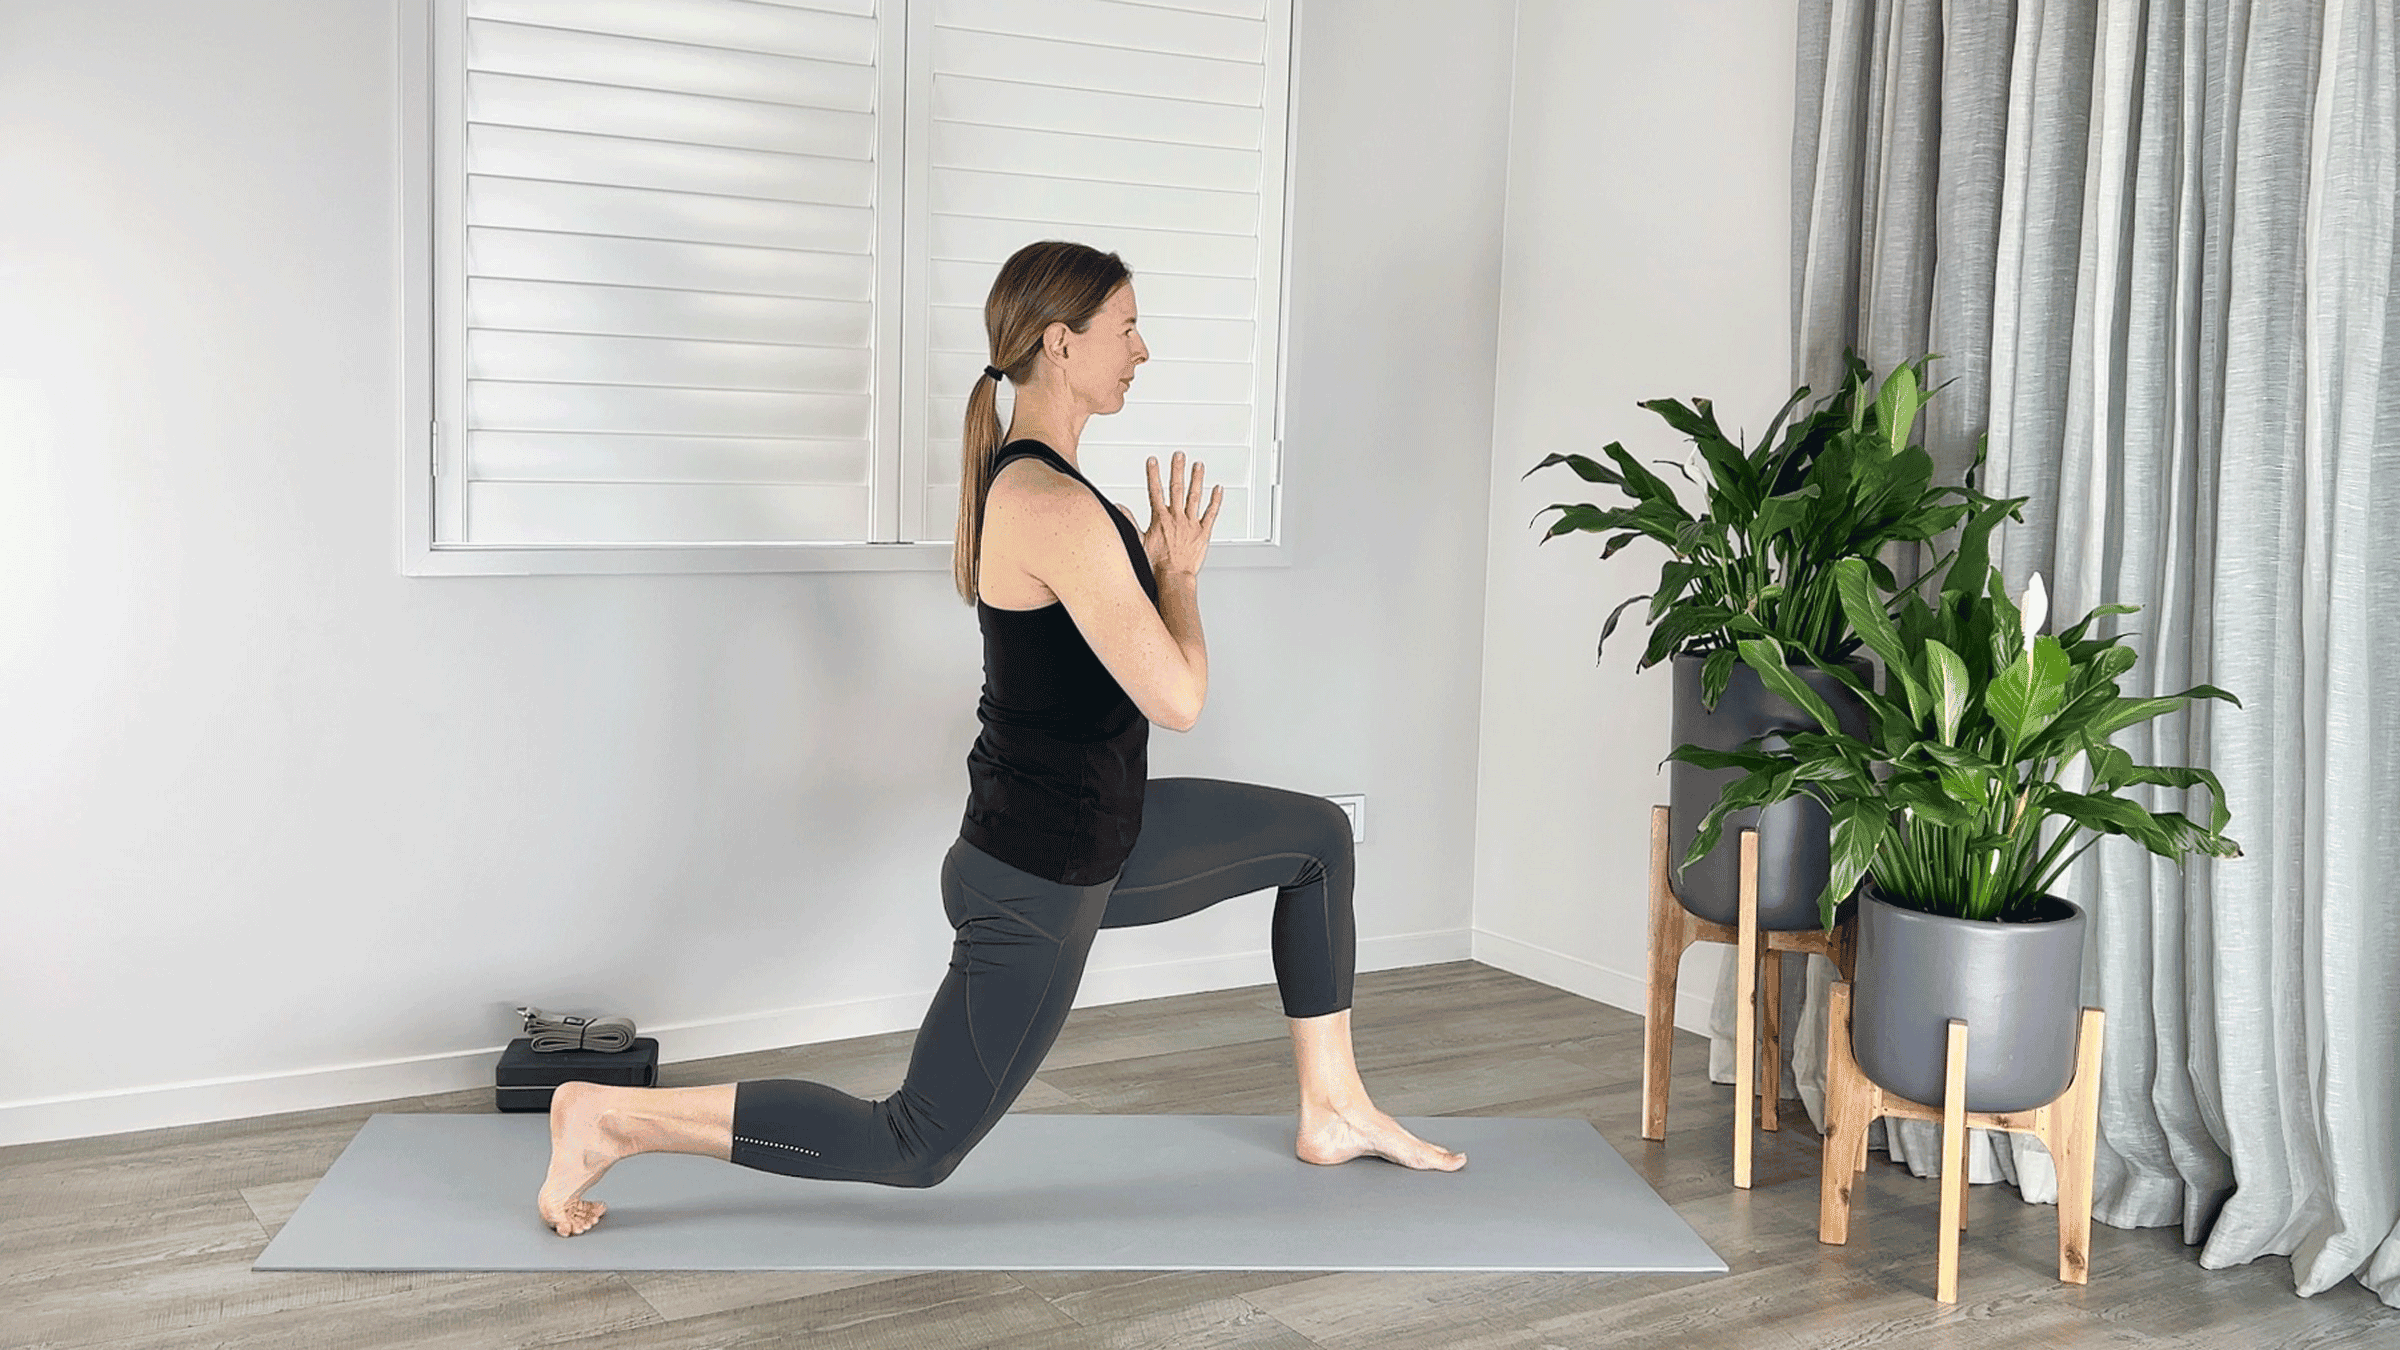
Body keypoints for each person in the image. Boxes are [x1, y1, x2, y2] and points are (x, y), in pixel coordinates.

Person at [536, 240, 1462, 1238]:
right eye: (1126, 329)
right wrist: (1182, 578)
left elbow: (1089, 667)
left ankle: (1332, 1108)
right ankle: (611, 1117)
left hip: (1100, 839)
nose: (1142, 351)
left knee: (1316, 840)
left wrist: (1147, 577)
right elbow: (1180, 700)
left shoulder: (1046, 486)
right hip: (1039, 877)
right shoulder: (1050, 503)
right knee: (914, 1144)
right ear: (1062, 344)